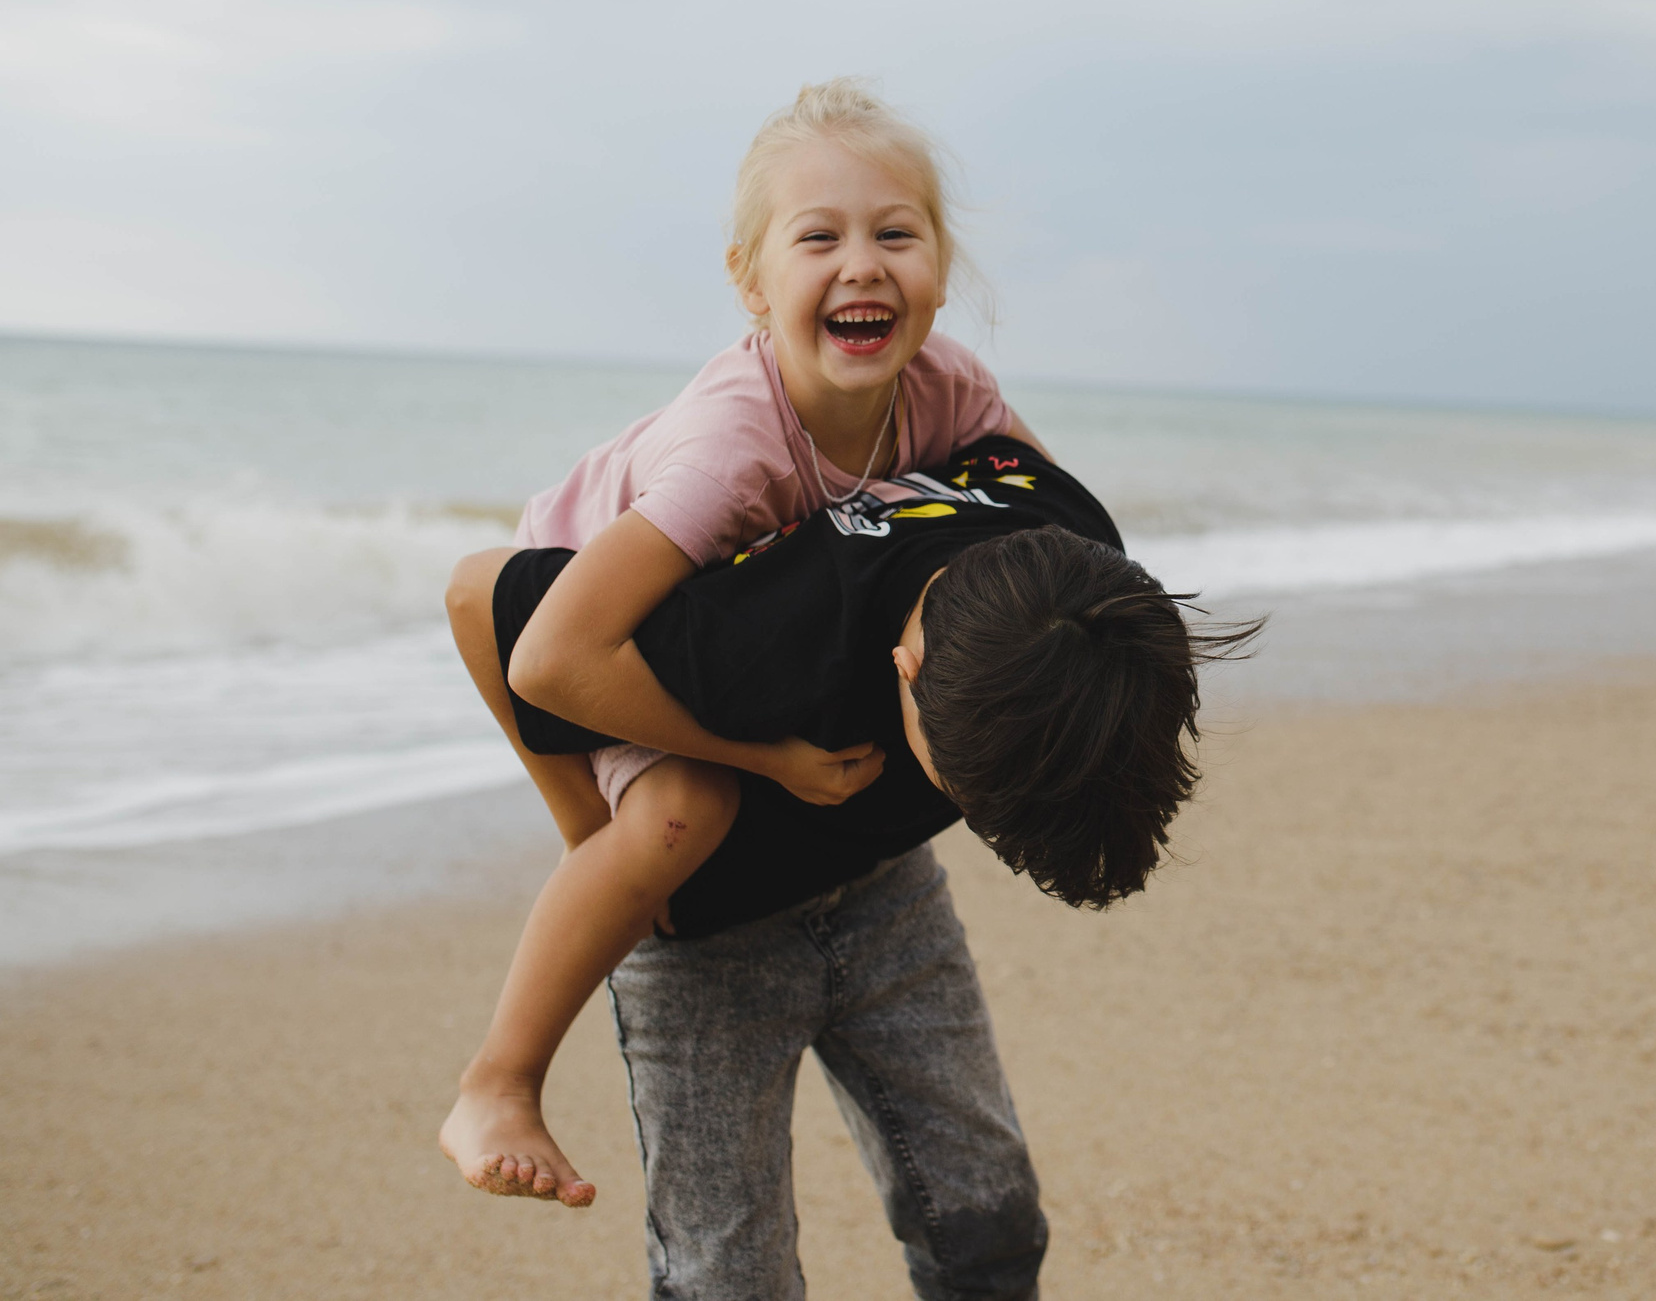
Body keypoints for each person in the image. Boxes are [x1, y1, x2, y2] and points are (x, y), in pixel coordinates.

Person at [446, 436, 1254, 1299]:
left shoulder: (1086, 585)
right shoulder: (762, 631)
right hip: (706, 947)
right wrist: (595, 828)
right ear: (906, 672)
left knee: (989, 1222)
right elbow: (476, 596)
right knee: (726, 1275)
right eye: (966, 793)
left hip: (888, 898)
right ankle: (495, 1081)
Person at [438, 77, 1039, 1210]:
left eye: (894, 233)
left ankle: (615, 855)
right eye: (819, 238)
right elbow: (548, 658)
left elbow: (1036, 509)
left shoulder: (949, 386)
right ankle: (498, 1081)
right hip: (596, 618)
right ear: (752, 283)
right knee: (681, 819)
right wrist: (768, 762)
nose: (861, 263)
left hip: (735, 625)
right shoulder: (733, 449)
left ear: (940, 270)